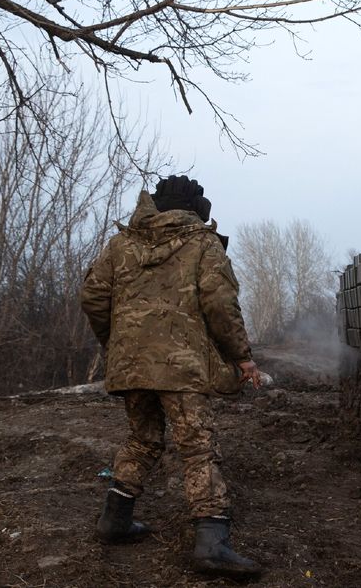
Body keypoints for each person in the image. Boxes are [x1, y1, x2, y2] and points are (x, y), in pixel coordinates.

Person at [80, 175, 263, 580]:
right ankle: (212, 544)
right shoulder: (202, 243)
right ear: (197, 209)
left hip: (132, 364)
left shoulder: (121, 244)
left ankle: (115, 521)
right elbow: (220, 304)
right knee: (198, 447)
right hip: (181, 367)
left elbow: (92, 295)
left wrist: (118, 341)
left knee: (142, 440)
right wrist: (242, 358)